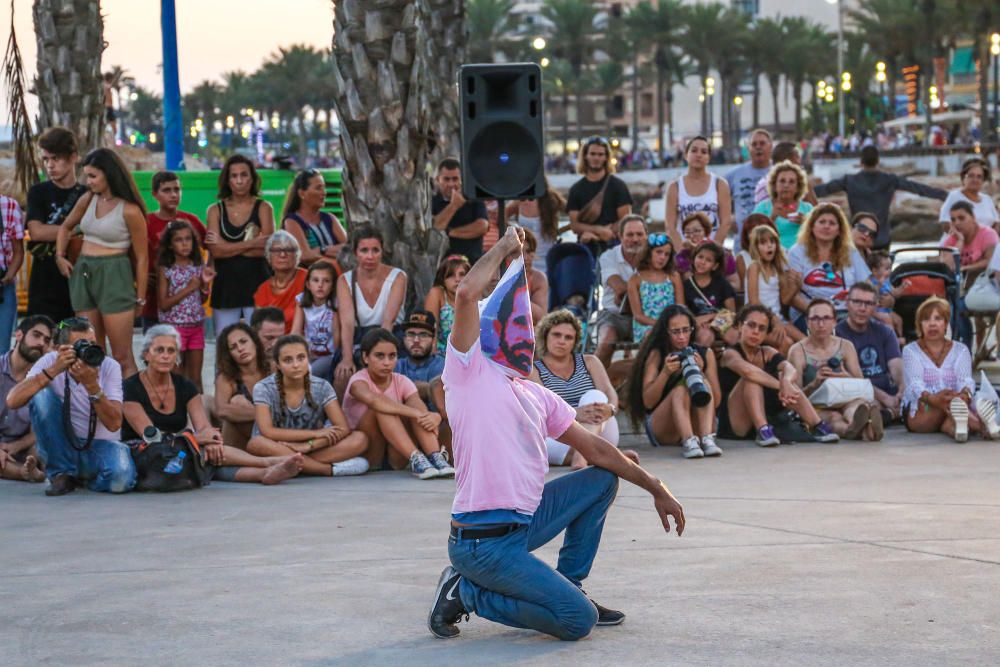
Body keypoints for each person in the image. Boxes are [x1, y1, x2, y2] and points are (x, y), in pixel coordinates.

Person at [427, 225, 685, 642]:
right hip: (482, 544)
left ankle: (572, 584)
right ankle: (467, 591)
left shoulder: (536, 394)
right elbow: (466, 294)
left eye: (526, 324)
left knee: (602, 477)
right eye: (515, 324)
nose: (524, 334)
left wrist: (656, 487)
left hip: (525, 520)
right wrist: (506, 248)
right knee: (575, 621)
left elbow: (596, 448)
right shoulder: (468, 372)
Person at [122, 325, 305, 485]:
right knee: (200, 453)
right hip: (144, 451)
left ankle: (265, 474)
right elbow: (151, 437)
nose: (165, 356)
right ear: (146, 354)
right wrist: (193, 439)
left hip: (179, 449)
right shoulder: (130, 387)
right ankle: (267, 463)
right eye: (159, 350)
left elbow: (204, 427)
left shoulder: (185, 386)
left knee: (211, 454)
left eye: (171, 351)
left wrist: (211, 441)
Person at [6, 317, 135, 496]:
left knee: (120, 480)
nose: (88, 350)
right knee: (41, 393)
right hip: (60, 446)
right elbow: (12, 401)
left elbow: (114, 423)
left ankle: (80, 479)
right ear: (61, 349)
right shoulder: (51, 361)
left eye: (92, 343)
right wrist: (53, 371)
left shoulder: (109, 365)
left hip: (100, 446)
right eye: (81, 345)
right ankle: (61, 473)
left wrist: (92, 386)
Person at [55, 148, 149, 378]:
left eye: (93, 176)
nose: (89, 181)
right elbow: (66, 227)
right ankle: (95, 408)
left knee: (121, 356)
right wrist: (60, 256)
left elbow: (142, 257)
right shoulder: (88, 198)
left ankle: (129, 407)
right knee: (90, 352)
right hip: (84, 271)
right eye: (87, 175)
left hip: (115, 273)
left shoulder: (130, 210)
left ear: (109, 174)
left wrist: (141, 296)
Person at [248, 334, 370, 476]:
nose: (296, 365)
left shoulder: (322, 386)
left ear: (308, 359)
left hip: (311, 447)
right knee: (256, 443)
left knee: (360, 439)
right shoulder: (263, 388)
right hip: (276, 447)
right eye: (288, 360)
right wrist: (315, 433)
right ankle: (327, 470)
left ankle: (296, 465)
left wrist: (309, 445)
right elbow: (267, 431)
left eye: (301, 358)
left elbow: (342, 428)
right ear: (278, 365)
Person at [717, 305, 839, 446]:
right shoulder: (730, 354)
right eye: (751, 325)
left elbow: (790, 368)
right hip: (736, 424)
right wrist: (782, 386)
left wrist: (786, 381)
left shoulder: (767, 352)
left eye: (762, 329)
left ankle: (817, 425)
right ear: (739, 326)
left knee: (785, 377)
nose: (756, 332)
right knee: (751, 379)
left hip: (764, 414)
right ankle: (763, 430)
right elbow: (748, 372)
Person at [341, 328, 453, 478]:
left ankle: (435, 457)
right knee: (382, 408)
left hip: (397, 455)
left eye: (392, 356)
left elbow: (417, 405)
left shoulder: (402, 381)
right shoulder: (358, 381)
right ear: (365, 357)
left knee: (414, 405)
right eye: (379, 356)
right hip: (370, 453)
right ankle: (416, 458)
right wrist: (419, 414)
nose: (387, 362)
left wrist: (433, 417)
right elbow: (375, 401)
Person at [625, 304, 722, 459]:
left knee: (702, 381)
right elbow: (648, 402)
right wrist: (665, 372)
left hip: (699, 423)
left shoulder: (705, 353)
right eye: (676, 332)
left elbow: (716, 401)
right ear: (666, 332)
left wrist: (700, 371)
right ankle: (689, 440)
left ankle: (706, 439)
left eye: (686, 330)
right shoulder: (657, 354)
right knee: (680, 390)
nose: (682, 336)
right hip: (663, 427)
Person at [529, 310, 620, 468]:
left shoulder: (590, 362)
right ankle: (606, 457)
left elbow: (609, 393)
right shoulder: (534, 370)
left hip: (601, 429)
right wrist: (575, 413)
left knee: (595, 395)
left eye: (568, 337)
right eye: (556, 335)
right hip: (561, 435)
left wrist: (610, 410)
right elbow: (541, 410)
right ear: (545, 336)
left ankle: (581, 455)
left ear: (575, 341)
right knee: (536, 443)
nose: (562, 341)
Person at [901, 297, 998, 442]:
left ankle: (959, 429)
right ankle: (983, 427)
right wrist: (934, 398)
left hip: (955, 402)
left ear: (946, 323)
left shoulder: (961, 350)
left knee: (951, 419)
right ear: (920, 325)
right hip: (923, 410)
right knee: (949, 405)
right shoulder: (910, 350)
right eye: (926, 319)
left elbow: (965, 380)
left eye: (938, 318)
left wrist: (964, 395)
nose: (932, 324)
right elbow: (915, 384)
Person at [814, 145, 947, 251]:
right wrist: (944, 195)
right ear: (878, 161)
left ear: (861, 162)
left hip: (858, 239)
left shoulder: (849, 181)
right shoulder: (889, 180)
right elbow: (917, 188)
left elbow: (822, 190)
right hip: (881, 238)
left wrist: (800, 193)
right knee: (882, 277)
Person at [788, 299, 883, 441]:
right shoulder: (797, 351)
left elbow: (861, 384)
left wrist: (847, 376)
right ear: (807, 322)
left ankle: (860, 427)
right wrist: (815, 384)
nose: (821, 324)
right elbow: (794, 397)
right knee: (834, 417)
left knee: (856, 407)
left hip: (845, 400)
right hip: (816, 406)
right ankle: (858, 430)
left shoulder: (846, 346)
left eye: (826, 318)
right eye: (815, 319)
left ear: (834, 321)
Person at [205, 155, 275, 332]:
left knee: (262, 342)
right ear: (227, 181)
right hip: (225, 287)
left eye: (244, 175)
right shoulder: (215, 210)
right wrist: (253, 243)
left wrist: (226, 245)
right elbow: (216, 252)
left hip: (258, 284)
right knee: (225, 343)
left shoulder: (264, 207)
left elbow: (267, 250)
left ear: (252, 178)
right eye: (234, 176)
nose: (239, 181)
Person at [25, 127, 88, 323]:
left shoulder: (87, 194)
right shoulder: (38, 192)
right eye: (46, 159)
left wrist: (56, 232)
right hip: (44, 280)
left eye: (56, 159)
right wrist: (75, 230)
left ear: (73, 157)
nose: (50, 165)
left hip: (80, 276)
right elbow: (36, 232)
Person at [334, 226, 406, 394]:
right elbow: (347, 323)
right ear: (355, 253)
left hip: (390, 335)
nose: (370, 256)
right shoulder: (345, 280)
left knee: (386, 371)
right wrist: (347, 358)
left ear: (382, 251)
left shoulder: (398, 276)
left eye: (375, 250)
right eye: (364, 250)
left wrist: (379, 355)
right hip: (358, 336)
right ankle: (342, 418)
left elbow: (388, 322)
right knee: (343, 374)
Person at [142, 171, 207, 329]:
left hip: (188, 309)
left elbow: (212, 248)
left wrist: (205, 273)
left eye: (176, 190)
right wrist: (140, 277)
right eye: (166, 190)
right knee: (156, 350)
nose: (173, 195)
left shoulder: (191, 221)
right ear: (154, 194)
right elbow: (132, 253)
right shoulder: (146, 222)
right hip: (154, 302)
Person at [787, 203, 872, 323]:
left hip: (846, 313)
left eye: (832, 223)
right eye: (822, 222)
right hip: (809, 313)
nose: (826, 226)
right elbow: (792, 296)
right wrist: (819, 314)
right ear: (812, 227)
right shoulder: (797, 252)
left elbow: (866, 287)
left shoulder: (850, 252)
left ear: (839, 230)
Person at [156, 220, 213, 391]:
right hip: (174, 329)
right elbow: (164, 303)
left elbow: (201, 299)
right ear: (170, 245)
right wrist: (189, 288)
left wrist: (205, 286)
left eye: (188, 239)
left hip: (196, 327)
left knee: (195, 378)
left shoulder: (197, 266)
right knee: (176, 377)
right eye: (179, 240)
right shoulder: (166, 268)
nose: (185, 243)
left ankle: (200, 413)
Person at [836, 282, 904, 421]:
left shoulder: (885, 332)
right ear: (847, 303)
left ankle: (887, 415)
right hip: (857, 392)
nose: (862, 308)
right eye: (857, 302)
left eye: (868, 303)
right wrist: (885, 399)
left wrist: (902, 390)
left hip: (887, 391)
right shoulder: (836, 334)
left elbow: (897, 367)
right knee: (866, 405)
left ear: (876, 306)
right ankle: (889, 415)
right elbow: (850, 378)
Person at [0, 316, 54, 483]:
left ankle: (31, 468)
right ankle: (27, 473)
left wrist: (15, 446)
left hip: (24, 447)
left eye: (46, 340)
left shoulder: (42, 380)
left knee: (43, 444)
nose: (41, 343)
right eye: (36, 335)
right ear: (19, 335)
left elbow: (40, 429)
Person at [941, 200, 999, 349]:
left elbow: (990, 262)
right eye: (953, 219)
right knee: (955, 307)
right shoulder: (952, 239)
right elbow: (947, 266)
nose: (957, 223)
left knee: (958, 305)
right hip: (959, 289)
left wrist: (965, 268)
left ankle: (968, 349)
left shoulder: (987, 234)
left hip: (985, 286)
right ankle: (963, 349)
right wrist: (959, 242)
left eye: (961, 218)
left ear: (973, 217)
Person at [566, 136, 633, 257]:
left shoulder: (618, 186)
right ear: (585, 156)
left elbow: (625, 219)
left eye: (600, 154)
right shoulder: (576, 189)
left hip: (614, 246)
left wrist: (606, 232)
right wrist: (598, 231)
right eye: (592, 154)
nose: (596, 158)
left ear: (606, 157)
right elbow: (574, 225)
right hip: (586, 248)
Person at [595, 215, 647, 367]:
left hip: (646, 315)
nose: (635, 239)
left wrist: (627, 291)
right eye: (630, 234)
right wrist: (642, 286)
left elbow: (625, 291)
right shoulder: (608, 256)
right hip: (613, 314)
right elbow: (618, 287)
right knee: (606, 343)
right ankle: (593, 386)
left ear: (646, 236)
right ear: (620, 236)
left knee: (655, 344)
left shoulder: (653, 256)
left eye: (639, 234)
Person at [666, 136, 733, 249]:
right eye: (694, 150)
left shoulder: (720, 184)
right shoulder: (674, 187)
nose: (698, 155)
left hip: (712, 252)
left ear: (709, 157)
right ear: (686, 155)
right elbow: (670, 227)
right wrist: (682, 253)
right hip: (684, 251)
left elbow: (725, 223)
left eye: (704, 152)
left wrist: (711, 252)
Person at [746, 224, 803, 354]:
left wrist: (796, 286)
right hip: (758, 318)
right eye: (763, 243)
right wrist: (773, 319)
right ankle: (778, 373)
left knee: (805, 341)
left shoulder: (777, 269)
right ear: (756, 247)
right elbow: (753, 301)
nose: (769, 245)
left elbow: (785, 299)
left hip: (777, 318)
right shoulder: (755, 267)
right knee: (787, 342)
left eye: (772, 242)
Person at [214, 323, 269, 451]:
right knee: (237, 401)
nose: (240, 349)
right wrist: (264, 414)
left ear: (254, 342)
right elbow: (222, 410)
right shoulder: (227, 377)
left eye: (243, 341)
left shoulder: (271, 367)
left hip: (277, 430)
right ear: (229, 354)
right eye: (233, 347)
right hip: (247, 436)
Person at [280, 168, 347, 267]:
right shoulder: (291, 221)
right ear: (302, 193)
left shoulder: (330, 218)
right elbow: (304, 255)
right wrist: (330, 251)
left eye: (324, 188)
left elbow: (349, 248)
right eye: (318, 188)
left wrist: (320, 251)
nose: (324, 192)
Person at [627, 233, 682, 343]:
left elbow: (680, 307)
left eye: (667, 254)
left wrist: (672, 324)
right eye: (659, 252)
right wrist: (660, 324)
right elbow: (638, 315)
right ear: (648, 253)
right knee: (652, 336)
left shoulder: (673, 276)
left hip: (672, 325)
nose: (662, 257)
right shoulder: (635, 279)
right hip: (646, 326)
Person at [291, 260, 341, 381]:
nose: (320, 285)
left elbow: (337, 335)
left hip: (330, 356)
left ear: (333, 285)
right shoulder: (302, 301)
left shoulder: (335, 304)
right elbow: (296, 331)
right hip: (308, 354)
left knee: (309, 373)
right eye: (316, 280)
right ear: (308, 284)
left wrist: (338, 359)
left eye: (326, 281)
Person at [431, 158, 488, 264]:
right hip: (443, 268)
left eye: (455, 179)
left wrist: (450, 232)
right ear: (438, 179)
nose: (451, 184)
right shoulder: (432, 202)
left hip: (472, 264)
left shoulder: (473, 198)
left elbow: (482, 226)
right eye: (446, 179)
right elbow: (435, 229)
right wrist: (454, 205)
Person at [726, 128, 773, 253]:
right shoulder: (733, 175)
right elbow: (715, 198)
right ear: (748, 149)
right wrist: (727, 216)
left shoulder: (780, 173)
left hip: (773, 243)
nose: (758, 147)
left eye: (762, 143)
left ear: (771, 147)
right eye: (754, 144)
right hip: (743, 245)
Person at [684, 242, 738, 348]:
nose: (703, 262)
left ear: (715, 266)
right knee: (705, 336)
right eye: (700, 257)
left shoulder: (722, 283)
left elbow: (731, 312)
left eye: (708, 260)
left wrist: (714, 322)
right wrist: (710, 316)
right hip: (699, 325)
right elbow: (686, 317)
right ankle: (700, 362)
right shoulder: (686, 285)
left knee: (732, 336)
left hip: (721, 322)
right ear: (694, 258)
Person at [253, 230, 308, 333]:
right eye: (276, 250)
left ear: (297, 255)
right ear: (268, 257)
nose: (282, 254)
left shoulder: (308, 279)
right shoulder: (263, 289)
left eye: (289, 250)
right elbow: (259, 327)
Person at [752, 160, 814, 249]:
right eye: (782, 181)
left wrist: (806, 223)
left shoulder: (807, 208)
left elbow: (819, 236)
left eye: (791, 182)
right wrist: (772, 218)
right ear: (774, 185)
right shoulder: (763, 208)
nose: (786, 185)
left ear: (798, 187)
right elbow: (752, 236)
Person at [504, 182, 565, 272]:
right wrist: (514, 231)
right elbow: (501, 217)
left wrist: (560, 231)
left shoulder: (552, 198)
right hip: (527, 254)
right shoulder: (520, 200)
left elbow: (574, 214)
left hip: (548, 255)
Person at [394, 309, 446, 412]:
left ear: (433, 339)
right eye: (411, 334)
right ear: (403, 337)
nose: (416, 340)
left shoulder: (442, 365)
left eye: (423, 335)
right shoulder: (396, 365)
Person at [937, 158, 999, 235]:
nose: (975, 179)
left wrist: (990, 240)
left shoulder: (987, 199)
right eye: (971, 176)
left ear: (983, 181)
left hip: (988, 244)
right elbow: (946, 223)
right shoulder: (955, 196)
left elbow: (996, 223)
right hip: (961, 244)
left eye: (979, 177)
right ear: (963, 178)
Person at [424, 254, 470, 355]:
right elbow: (431, 327)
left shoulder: (474, 296)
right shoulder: (437, 293)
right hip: (441, 353)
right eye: (451, 275)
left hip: (469, 354)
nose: (457, 279)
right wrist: (432, 358)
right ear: (442, 279)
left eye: (462, 274)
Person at [752, 141, 818, 207]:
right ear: (787, 162)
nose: (800, 162)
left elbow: (815, 211)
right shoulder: (766, 185)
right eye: (797, 157)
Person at [0, 193, 25, 351]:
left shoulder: (8, 205)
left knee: (2, 349)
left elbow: (18, 251)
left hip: (3, 287)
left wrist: (8, 276)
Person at [735, 213, 778, 292]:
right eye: (753, 231)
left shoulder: (782, 254)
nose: (758, 234)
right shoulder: (742, 257)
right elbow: (744, 289)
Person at [866, 251, 905, 336]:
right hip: (876, 310)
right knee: (888, 320)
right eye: (887, 268)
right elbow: (871, 295)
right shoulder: (870, 281)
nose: (890, 271)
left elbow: (895, 293)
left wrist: (902, 287)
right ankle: (892, 339)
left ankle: (900, 337)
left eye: (891, 268)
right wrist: (879, 285)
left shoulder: (887, 281)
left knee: (899, 320)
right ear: (875, 271)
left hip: (887, 309)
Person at [520, 228, 550, 323]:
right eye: (519, 252)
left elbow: (541, 317)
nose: (525, 258)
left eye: (528, 252)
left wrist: (515, 292)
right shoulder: (495, 276)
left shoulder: (538, 278)